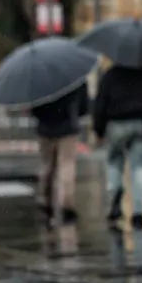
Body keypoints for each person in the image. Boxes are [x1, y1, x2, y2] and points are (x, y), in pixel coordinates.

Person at [93, 64, 142, 230]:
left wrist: (99, 129)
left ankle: (116, 192)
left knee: (114, 162)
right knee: (139, 168)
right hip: (139, 124)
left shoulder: (109, 76)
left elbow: (100, 103)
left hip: (115, 125)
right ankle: (138, 211)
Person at [32, 84, 88, 228]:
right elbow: (84, 106)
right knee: (67, 165)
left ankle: (44, 199)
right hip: (68, 126)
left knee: (46, 165)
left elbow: (34, 107)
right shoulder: (76, 77)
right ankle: (66, 204)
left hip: (45, 127)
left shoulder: (40, 78)